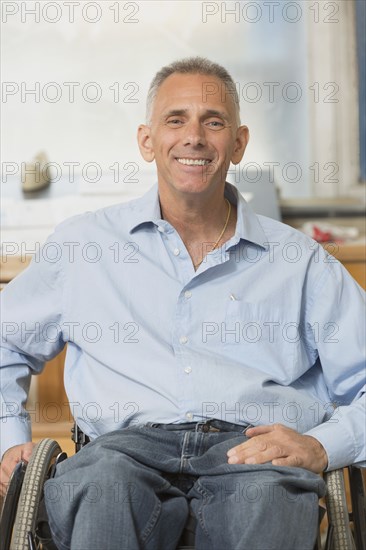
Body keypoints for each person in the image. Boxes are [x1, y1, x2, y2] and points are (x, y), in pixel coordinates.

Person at [0, 57, 365, 550]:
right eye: (176, 120)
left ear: (238, 143)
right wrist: (9, 440)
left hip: (252, 452)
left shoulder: (301, 262)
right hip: (119, 453)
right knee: (101, 487)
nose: (194, 136)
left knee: (269, 499)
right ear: (147, 140)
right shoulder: (83, 245)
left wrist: (322, 445)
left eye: (213, 122)